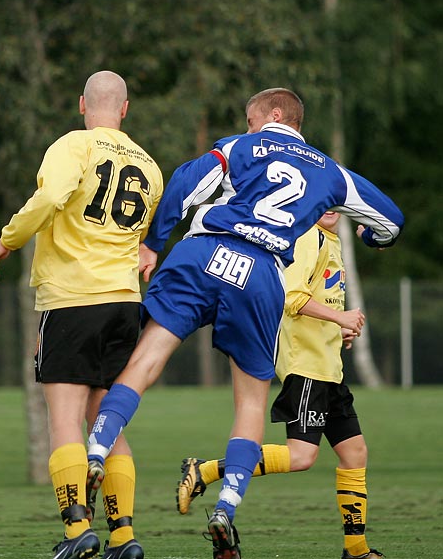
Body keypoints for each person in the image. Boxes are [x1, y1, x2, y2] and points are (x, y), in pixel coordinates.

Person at [85, 87, 404, 559]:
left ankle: (97, 448)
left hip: (203, 251)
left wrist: (154, 241)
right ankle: (227, 504)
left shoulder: (238, 146)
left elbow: (186, 181)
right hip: (260, 274)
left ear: (273, 115)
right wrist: (372, 236)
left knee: (147, 357)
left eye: (252, 121)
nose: (250, 128)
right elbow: (391, 221)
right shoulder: (332, 172)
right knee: (250, 401)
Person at [0, 71, 163, 559]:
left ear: (83, 104)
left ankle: (76, 529)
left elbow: (49, 199)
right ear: (124, 110)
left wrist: (6, 241)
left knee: (64, 420)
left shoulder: (73, 146)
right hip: (125, 303)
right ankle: (123, 538)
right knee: (107, 423)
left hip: (72, 299)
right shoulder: (149, 167)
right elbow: (138, 236)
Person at [176, 210, 384, 559]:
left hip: (329, 370)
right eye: (323, 201)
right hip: (306, 369)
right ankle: (205, 470)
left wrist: (340, 329)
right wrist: (340, 316)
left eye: (337, 200)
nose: (330, 207)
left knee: (354, 454)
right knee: (302, 456)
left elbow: (321, 298)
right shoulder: (306, 237)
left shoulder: (331, 241)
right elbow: (291, 296)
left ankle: (357, 550)